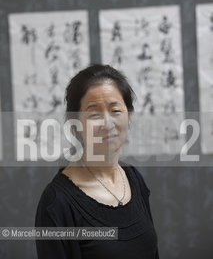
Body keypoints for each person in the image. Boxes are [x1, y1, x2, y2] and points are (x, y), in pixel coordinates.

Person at [35, 64, 159, 258]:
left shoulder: (134, 179)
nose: (107, 124)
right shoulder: (57, 202)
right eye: (94, 114)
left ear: (129, 116)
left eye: (115, 111)